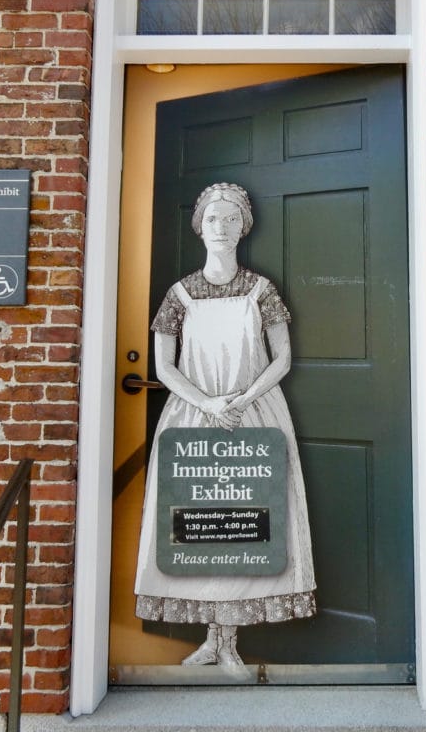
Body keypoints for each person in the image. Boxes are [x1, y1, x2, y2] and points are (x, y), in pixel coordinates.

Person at [134, 182, 316, 667]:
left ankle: (228, 642)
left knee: (246, 526)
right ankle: (210, 640)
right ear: (199, 226)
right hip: (194, 419)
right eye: (213, 218)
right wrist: (209, 404)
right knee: (200, 526)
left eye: (231, 218)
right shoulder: (178, 295)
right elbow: (164, 367)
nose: (222, 226)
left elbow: (283, 359)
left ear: (243, 227)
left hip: (253, 418)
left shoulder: (261, 291)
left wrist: (241, 400)